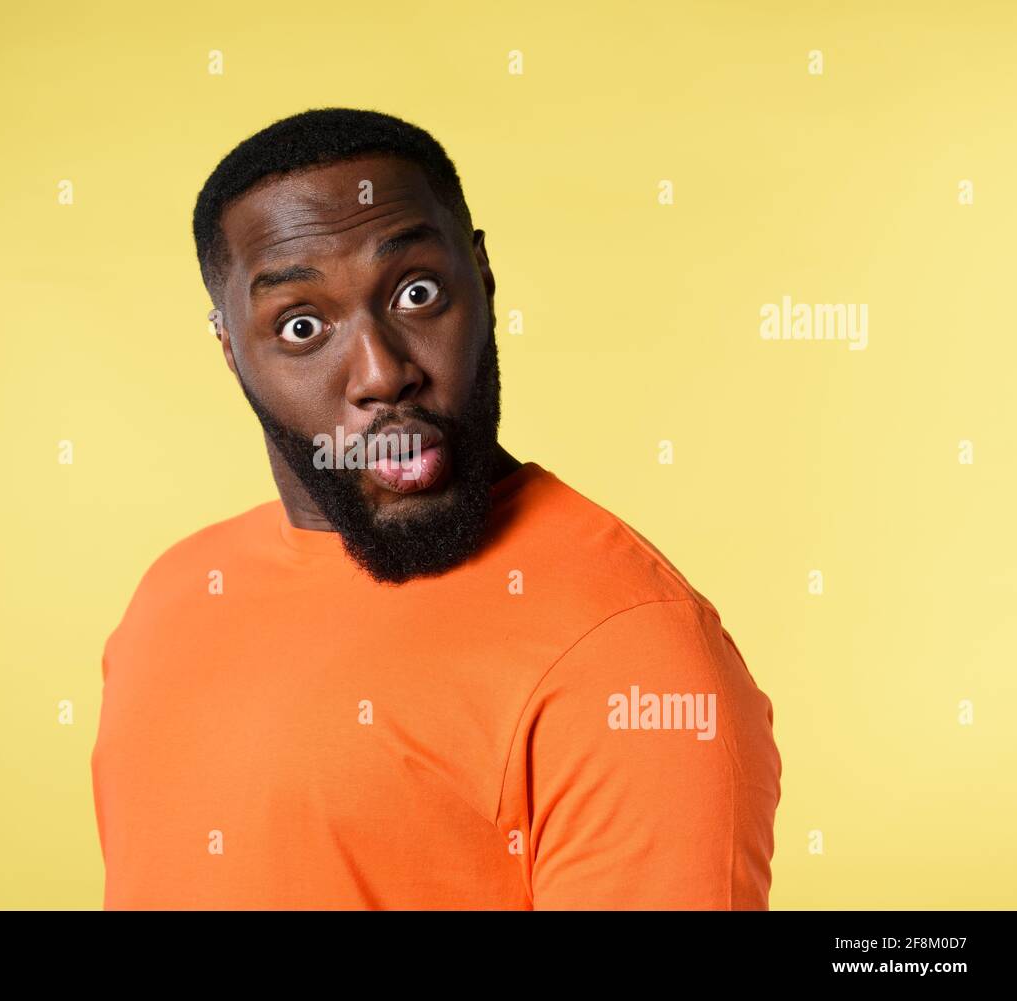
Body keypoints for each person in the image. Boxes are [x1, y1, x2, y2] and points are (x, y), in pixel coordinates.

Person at [90, 107, 782, 909]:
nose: (382, 372)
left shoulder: (633, 660)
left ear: (481, 278)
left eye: (417, 292)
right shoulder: (170, 598)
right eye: (303, 324)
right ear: (229, 347)